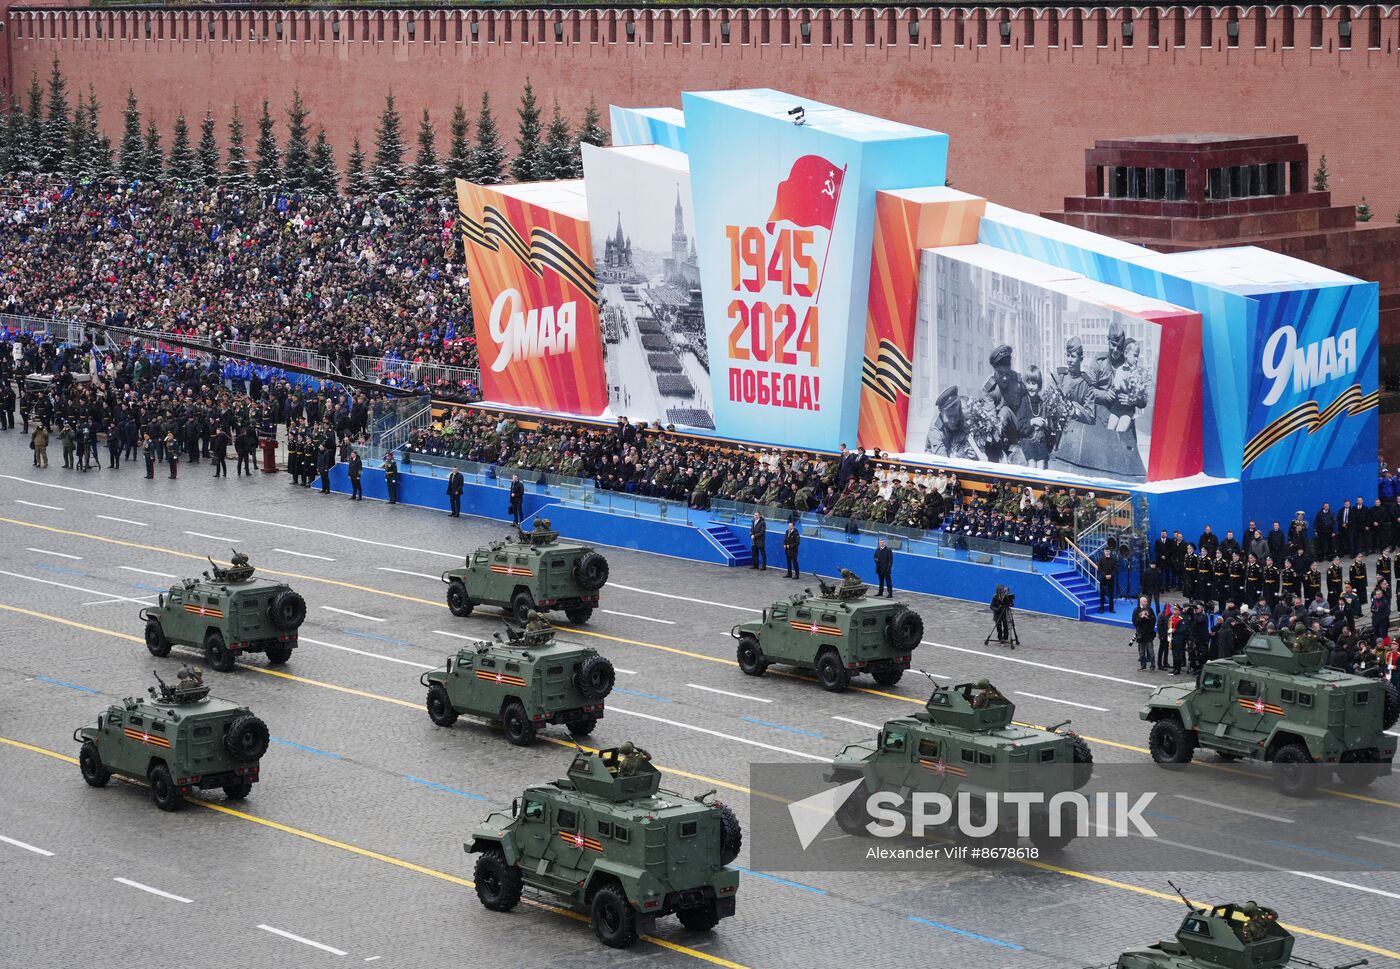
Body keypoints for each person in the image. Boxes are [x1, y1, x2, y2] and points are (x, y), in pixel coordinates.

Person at [1133, 596, 1156, 671]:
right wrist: (1141, 618)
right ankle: (1143, 666)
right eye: (1145, 601)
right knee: (1142, 653)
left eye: (1147, 601)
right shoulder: (1136, 610)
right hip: (1141, 635)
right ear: (1141, 602)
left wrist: (1148, 618)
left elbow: (1153, 620)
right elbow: (1135, 622)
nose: (1147, 603)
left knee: (1151, 652)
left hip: (1148, 634)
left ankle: (1152, 666)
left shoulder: (1150, 609)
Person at [1097, 547, 1118, 613]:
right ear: (1104, 552)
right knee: (1102, 594)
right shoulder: (1101, 559)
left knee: (1111, 594)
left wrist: (1111, 575)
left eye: (1108, 551)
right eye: (1105, 551)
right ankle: (1101, 608)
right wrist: (1105, 575)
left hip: (1111, 579)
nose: (1106, 552)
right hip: (1103, 579)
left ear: (1110, 551)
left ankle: (1111, 609)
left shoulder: (1114, 559)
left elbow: (1115, 569)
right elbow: (1100, 569)